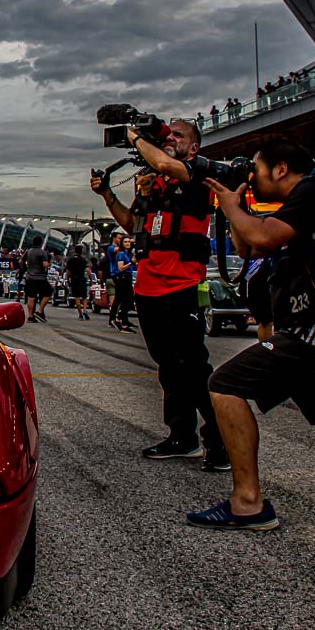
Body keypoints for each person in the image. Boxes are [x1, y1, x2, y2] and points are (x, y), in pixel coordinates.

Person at [189, 139, 315, 529]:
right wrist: (236, 209)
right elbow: (249, 250)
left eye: (256, 170)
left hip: (312, 328)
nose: (252, 178)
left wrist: (229, 207)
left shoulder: (312, 190)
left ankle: (247, 502)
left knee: (225, 385)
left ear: (280, 169)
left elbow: (263, 238)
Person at [90, 117, 227, 468]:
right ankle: (182, 436)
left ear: (193, 148)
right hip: (148, 288)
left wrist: (135, 135)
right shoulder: (154, 184)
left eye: (178, 136)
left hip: (182, 286)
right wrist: (107, 192)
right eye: (169, 133)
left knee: (193, 368)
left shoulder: (196, 175)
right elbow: (130, 224)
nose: (171, 139)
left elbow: (167, 162)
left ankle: (221, 442)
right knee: (168, 367)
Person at [109, 237, 137, 332]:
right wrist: (131, 263)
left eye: (129, 242)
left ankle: (123, 323)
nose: (128, 243)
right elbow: (120, 268)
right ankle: (118, 318)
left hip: (128, 277)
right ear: (122, 243)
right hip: (123, 277)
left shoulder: (127, 254)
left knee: (128, 300)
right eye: (125, 242)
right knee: (126, 300)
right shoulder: (120, 254)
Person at [65, 246, 90, 320]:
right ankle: (85, 309)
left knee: (77, 297)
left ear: (75, 251)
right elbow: (88, 270)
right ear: (81, 251)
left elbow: (67, 271)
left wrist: (67, 279)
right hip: (82, 279)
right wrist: (91, 279)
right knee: (84, 296)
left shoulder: (70, 260)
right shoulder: (83, 260)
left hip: (74, 280)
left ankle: (80, 314)